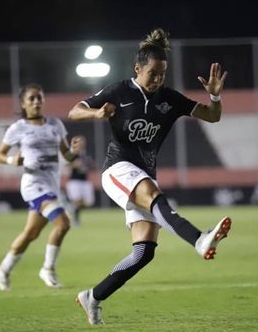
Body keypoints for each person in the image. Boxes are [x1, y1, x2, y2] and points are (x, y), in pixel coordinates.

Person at [68, 28, 231, 325]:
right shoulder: (118, 91)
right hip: (117, 170)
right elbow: (75, 111)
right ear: (137, 69)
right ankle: (199, 239)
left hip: (143, 174)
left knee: (144, 253)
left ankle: (93, 296)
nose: (158, 79)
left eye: (163, 73)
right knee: (154, 197)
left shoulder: (168, 98)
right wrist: (95, 114)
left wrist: (216, 95)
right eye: (153, 73)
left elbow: (213, 116)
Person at [0, 83, 80, 290]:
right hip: (33, 184)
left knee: (31, 233)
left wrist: (74, 151)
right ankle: (48, 269)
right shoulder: (18, 128)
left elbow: (66, 155)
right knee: (63, 223)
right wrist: (13, 161)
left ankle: (3, 269)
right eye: (31, 99)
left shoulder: (55, 125)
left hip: (51, 185)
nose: (37, 102)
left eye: (39, 97)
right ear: (23, 103)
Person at [63, 135, 95, 226]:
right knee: (77, 201)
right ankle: (76, 220)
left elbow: (90, 165)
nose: (81, 143)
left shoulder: (86, 154)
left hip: (85, 180)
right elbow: (65, 165)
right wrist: (74, 164)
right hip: (74, 180)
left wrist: (90, 165)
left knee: (89, 202)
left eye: (82, 141)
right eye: (79, 141)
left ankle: (69, 207)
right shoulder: (72, 154)